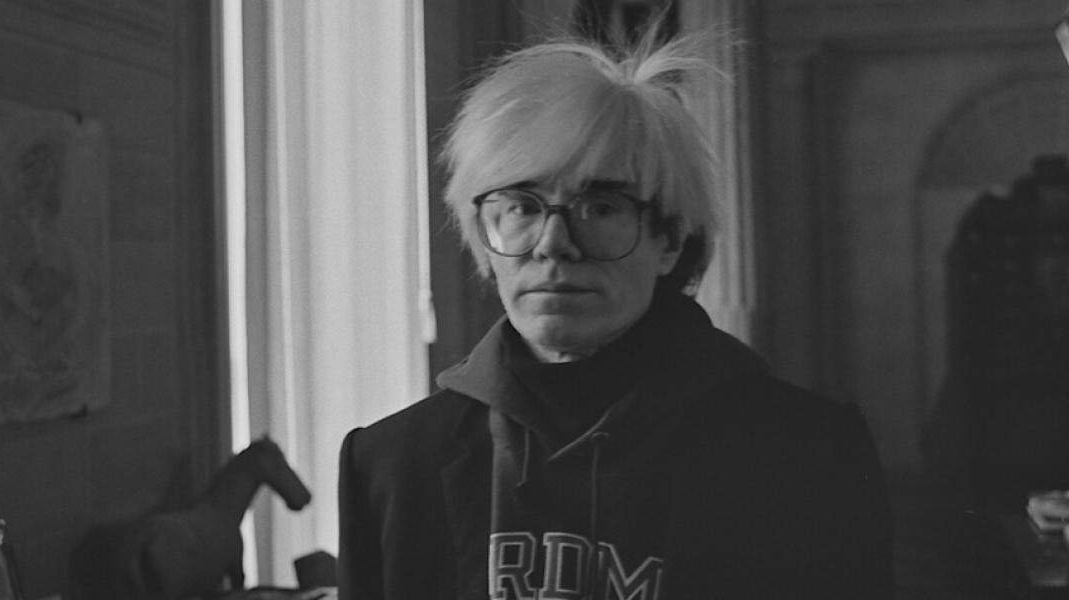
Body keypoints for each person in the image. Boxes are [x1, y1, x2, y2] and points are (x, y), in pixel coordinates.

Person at [338, 27, 894, 600]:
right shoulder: (390, 465)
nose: (553, 244)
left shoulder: (808, 455)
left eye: (600, 207)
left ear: (670, 240)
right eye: (521, 207)